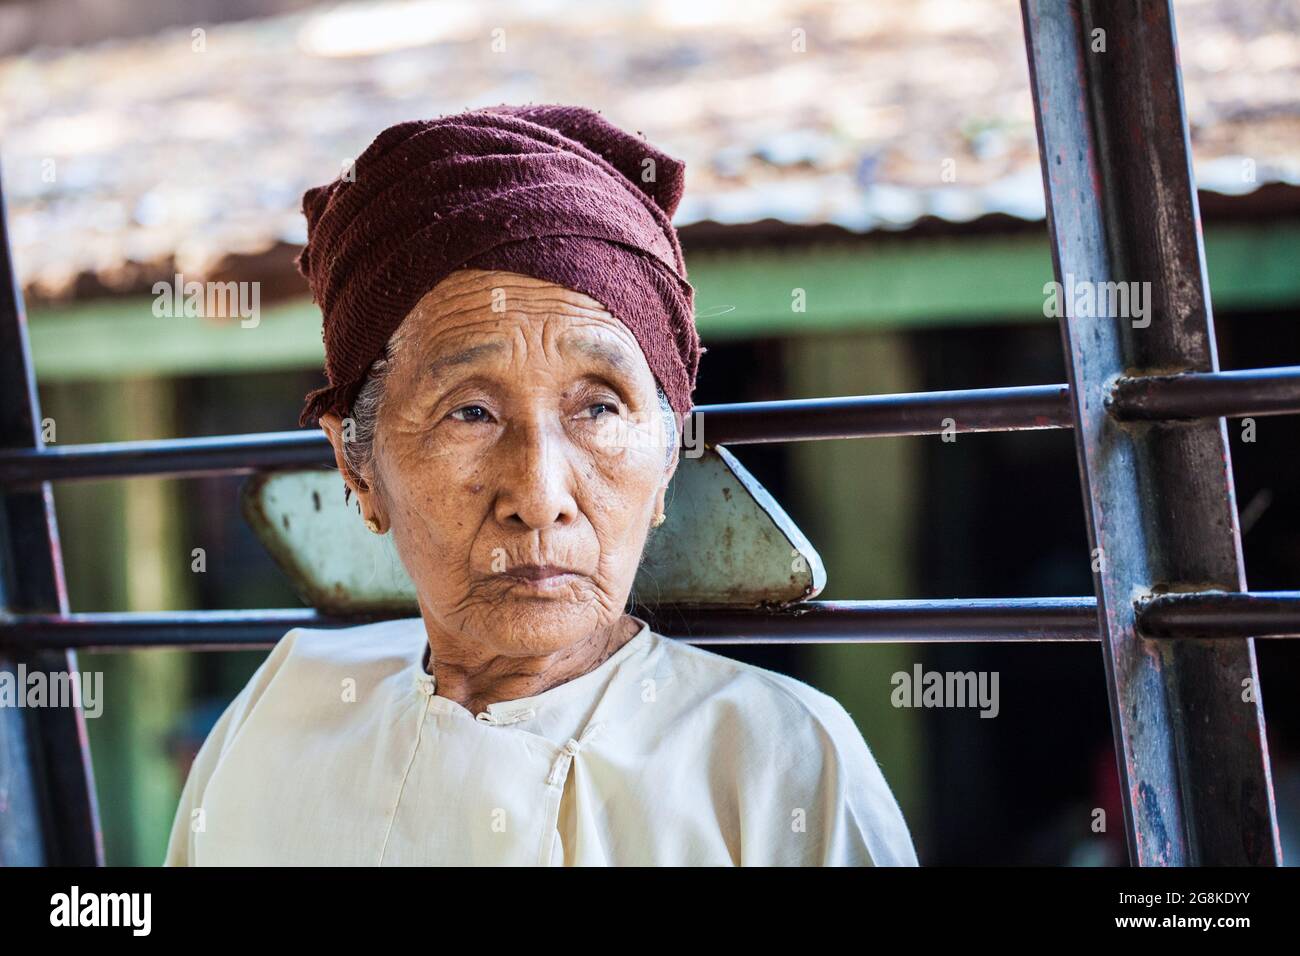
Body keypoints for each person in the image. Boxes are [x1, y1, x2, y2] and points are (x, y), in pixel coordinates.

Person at [164, 104, 918, 866]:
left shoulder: (777, 759)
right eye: (471, 411)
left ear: (664, 463)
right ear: (358, 468)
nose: (539, 492)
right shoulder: (281, 711)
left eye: (598, 406)